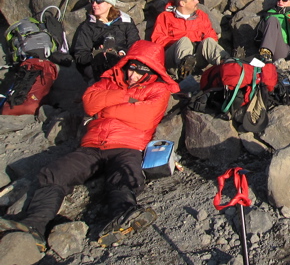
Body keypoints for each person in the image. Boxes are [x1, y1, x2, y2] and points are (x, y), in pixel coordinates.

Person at [0, 41, 180, 250]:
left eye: (139, 72)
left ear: (151, 71)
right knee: (53, 174)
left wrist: (104, 111)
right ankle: (34, 226)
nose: (132, 76)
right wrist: (128, 97)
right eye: (131, 68)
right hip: (92, 146)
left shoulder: (159, 89)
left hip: (128, 145)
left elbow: (142, 117)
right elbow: (90, 103)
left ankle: (122, 217)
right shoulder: (107, 80)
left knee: (123, 178)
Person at [150, 0, 229, 79]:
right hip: (174, 60)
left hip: (197, 58)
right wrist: (179, 42)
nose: (197, 2)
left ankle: (227, 62)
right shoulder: (165, 17)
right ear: (182, 3)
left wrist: (198, 45)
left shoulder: (201, 15)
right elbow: (157, 40)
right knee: (184, 41)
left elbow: (210, 34)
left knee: (209, 41)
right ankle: (184, 68)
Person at [71, 0, 140, 84]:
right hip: (97, 66)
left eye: (99, 1)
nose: (94, 5)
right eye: (93, 1)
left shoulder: (126, 22)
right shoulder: (87, 26)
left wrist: (121, 52)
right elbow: (80, 55)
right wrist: (96, 54)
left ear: (110, 4)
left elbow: (136, 46)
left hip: (123, 62)